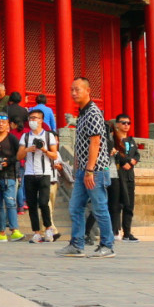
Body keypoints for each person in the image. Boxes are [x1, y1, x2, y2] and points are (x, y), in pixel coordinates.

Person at [58, 78, 115, 258]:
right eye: (72, 90)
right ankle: (76, 244)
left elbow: (95, 142)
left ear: (88, 90)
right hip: (83, 169)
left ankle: (107, 245)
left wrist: (90, 170)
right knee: (75, 207)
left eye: (77, 90)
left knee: (99, 207)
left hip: (95, 170)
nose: (74, 93)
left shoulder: (93, 113)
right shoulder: (82, 113)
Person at [20, 107, 59, 242]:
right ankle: (36, 232)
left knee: (43, 202)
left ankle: (48, 229)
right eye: (30, 118)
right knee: (31, 204)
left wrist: (44, 150)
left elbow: (55, 155)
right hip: (29, 173)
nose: (32, 121)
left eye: (35, 118)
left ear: (41, 120)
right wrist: (27, 149)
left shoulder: (48, 136)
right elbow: (18, 155)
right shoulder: (25, 136)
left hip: (44, 173)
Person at [0, 115, 24, 241]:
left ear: (8, 125)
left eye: (4, 122)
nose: (1, 124)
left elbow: (19, 155)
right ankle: (1, 232)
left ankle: (14, 230)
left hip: (9, 175)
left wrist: (9, 162)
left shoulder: (12, 139)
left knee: (11, 203)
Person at [108, 115, 141, 242]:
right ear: (117, 124)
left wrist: (132, 162)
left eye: (128, 123)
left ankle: (127, 233)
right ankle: (115, 231)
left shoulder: (131, 141)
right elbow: (114, 155)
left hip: (129, 176)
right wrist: (125, 162)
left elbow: (137, 154)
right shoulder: (114, 140)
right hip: (118, 175)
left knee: (129, 205)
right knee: (117, 204)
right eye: (123, 123)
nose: (126, 125)